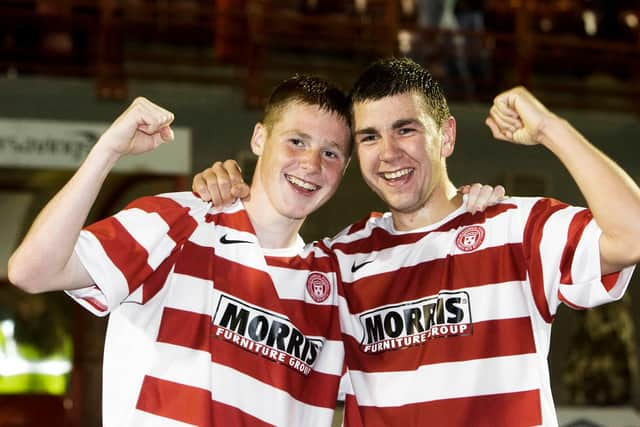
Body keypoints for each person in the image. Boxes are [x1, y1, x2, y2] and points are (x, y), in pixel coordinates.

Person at [7, 74, 501, 426]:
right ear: (260, 137)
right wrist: (107, 150)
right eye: (296, 141)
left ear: (344, 169)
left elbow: (423, 362)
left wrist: (458, 210)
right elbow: (30, 271)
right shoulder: (179, 221)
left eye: (331, 153)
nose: (311, 163)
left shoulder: (334, 282)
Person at [192, 57, 640, 426]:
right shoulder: (339, 262)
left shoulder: (515, 229)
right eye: (369, 137)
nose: (388, 153)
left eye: (405, 129)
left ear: (445, 135)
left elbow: (632, 234)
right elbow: (256, 311)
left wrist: (549, 130)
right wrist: (231, 189)